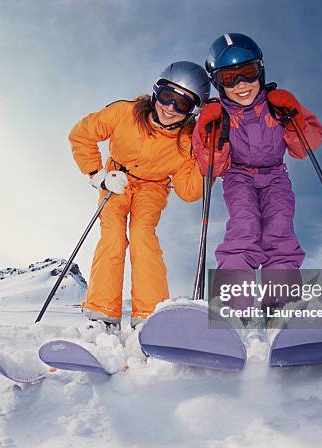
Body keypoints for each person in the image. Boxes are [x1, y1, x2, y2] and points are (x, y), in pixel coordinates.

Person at [69, 61, 210, 328]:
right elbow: (81, 134)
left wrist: (209, 157)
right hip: (116, 180)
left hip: (153, 187)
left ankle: (149, 317)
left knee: (143, 236)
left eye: (182, 104)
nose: (170, 108)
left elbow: (189, 191)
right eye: (167, 96)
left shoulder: (188, 142)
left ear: (193, 111)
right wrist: (98, 175)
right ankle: (102, 314)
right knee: (112, 235)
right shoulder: (125, 112)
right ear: (156, 91)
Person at [193, 33, 322, 313]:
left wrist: (294, 117)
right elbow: (211, 168)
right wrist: (209, 137)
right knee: (244, 228)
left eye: (247, 73)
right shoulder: (218, 116)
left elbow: (305, 148)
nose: (241, 84)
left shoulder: (276, 105)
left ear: (260, 71)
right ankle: (232, 306)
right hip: (238, 176)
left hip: (276, 174)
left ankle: (281, 306)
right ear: (218, 82)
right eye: (229, 78)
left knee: (280, 231)